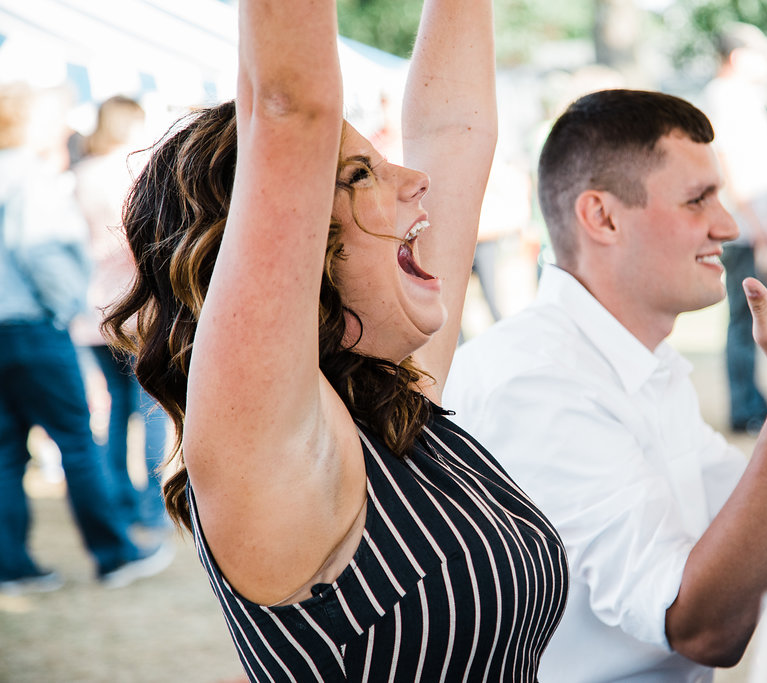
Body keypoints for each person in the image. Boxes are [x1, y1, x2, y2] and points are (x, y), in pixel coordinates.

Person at [102, 0, 567, 680]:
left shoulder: (391, 395)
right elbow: (290, 107)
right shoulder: (270, 447)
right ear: (284, 246)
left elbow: (455, 128)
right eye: (358, 175)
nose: (418, 181)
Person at [444, 88, 767, 682]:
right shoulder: (535, 384)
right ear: (602, 217)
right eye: (698, 200)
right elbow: (705, 628)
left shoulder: (639, 360)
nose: (729, 224)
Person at [0, 83, 172, 594]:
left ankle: (14, 566)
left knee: (8, 452)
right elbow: (42, 253)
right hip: (34, 327)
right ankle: (115, 553)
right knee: (77, 440)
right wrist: (61, 307)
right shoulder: (31, 178)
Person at [71, 95, 172, 534]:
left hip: (90, 311)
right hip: (133, 308)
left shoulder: (78, 176)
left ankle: (118, 502)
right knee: (149, 409)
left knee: (114, 411)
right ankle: (151, 508)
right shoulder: (131, 175)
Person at [702, 22, 767, 434]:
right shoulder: (725, 97)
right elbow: (728, 161)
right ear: (737, 56)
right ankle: (746, 408)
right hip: (745, 228)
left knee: (757, 316)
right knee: (743, 319)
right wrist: (755, 223)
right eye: (759, 53)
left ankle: (757, 402)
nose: (765, 62)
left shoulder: (742, 97)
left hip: (757, 226)